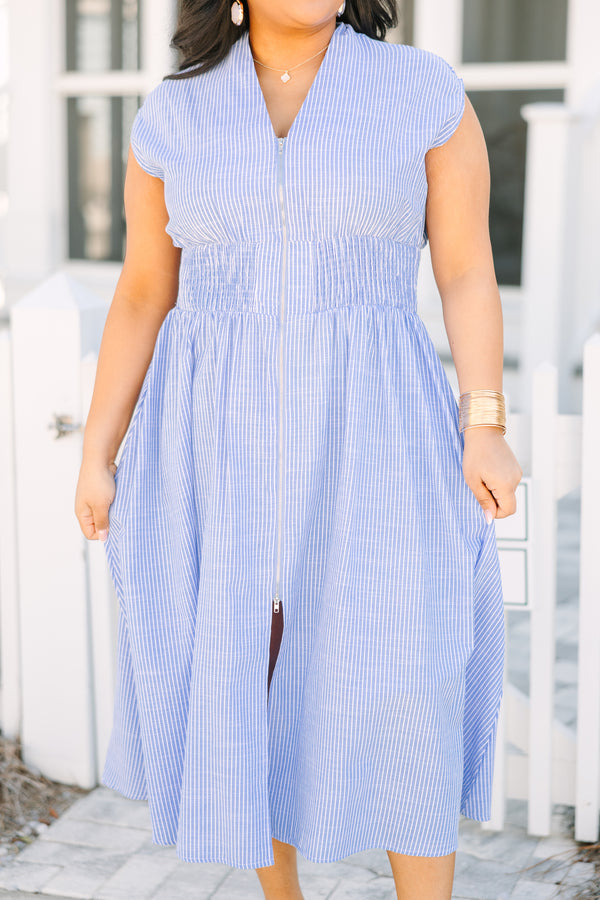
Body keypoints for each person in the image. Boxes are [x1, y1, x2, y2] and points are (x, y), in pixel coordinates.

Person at [74, 1, 523, 897]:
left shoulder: (421, 91)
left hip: (376, 422)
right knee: (249, 666)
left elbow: (466, 266)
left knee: (404, 671)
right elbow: (140, 292)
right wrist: (99, 449)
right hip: (213, 433)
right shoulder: (175, 112)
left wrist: (486, 422)